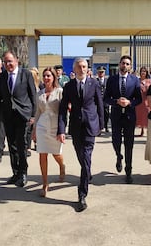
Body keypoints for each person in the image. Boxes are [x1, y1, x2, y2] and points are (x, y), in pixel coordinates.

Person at [57, 57, 104, 212]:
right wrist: (61, 129)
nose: (82, 69)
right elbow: (63, 109)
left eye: (84, 66)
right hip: (76, 127)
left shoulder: (94, 84)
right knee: (81, 156)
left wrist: (101, 125)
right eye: (79, 67)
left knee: (86, 156)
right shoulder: (69, 86)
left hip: (91, 125)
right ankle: (87, 172)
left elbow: (100, 105)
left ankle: (82, 195)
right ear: (75, 69)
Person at [0, 51, 37, 187]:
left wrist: (33, 115)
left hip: (23, 115)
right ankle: (16, 172)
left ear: (16, 61)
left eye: (10, 61)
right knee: (11, 145)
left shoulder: (26, 74)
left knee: (21, 145)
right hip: (8, 116)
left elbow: (33, 96)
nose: (8, 64)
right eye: (5, 62)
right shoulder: (1, 77)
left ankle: (23, 172)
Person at [104, 55, 142, 184]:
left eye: (127, 64)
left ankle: (128, 171)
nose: (124, 65)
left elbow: (139, 99)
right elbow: (106, 98)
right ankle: (119, 156)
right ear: (119, 64)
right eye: (123, 63)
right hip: (116, 115)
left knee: (129, 144)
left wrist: (129, 102)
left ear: (130, 66)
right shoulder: (111, 80)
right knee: (116, 141)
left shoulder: (135, 80)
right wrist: (116, 101)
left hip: (129, 116)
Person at [32, 67, 65, 197]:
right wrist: (34, 130)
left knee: (56, 153)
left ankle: (62, 166)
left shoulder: (60, 92)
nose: (46, 78)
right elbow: (38, 112)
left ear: (53, 78)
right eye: (44, 76)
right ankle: (45, 184)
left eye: (49, 76)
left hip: (55, 126)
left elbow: (64, 112)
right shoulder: (39, 93)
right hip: (41, 126)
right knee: (42, 154)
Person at [135, 66, 151, 137]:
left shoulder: (149, 81)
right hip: (139, 101)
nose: (143, 72)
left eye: (144, 71)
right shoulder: (137, 80)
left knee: (147, 116)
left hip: (146, 101)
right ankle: (142, 130)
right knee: (140, 116)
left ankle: (149, 130)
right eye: (142, 71)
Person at [96, 66, 110, 133]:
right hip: (97, 101)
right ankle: (99, 128)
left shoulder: (107, 81)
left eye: (102, 72)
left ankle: (106, 126)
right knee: (98, 114)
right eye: (99, 72)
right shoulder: (95, 81)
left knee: (106, 114)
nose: (101, 73)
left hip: (105, 100)